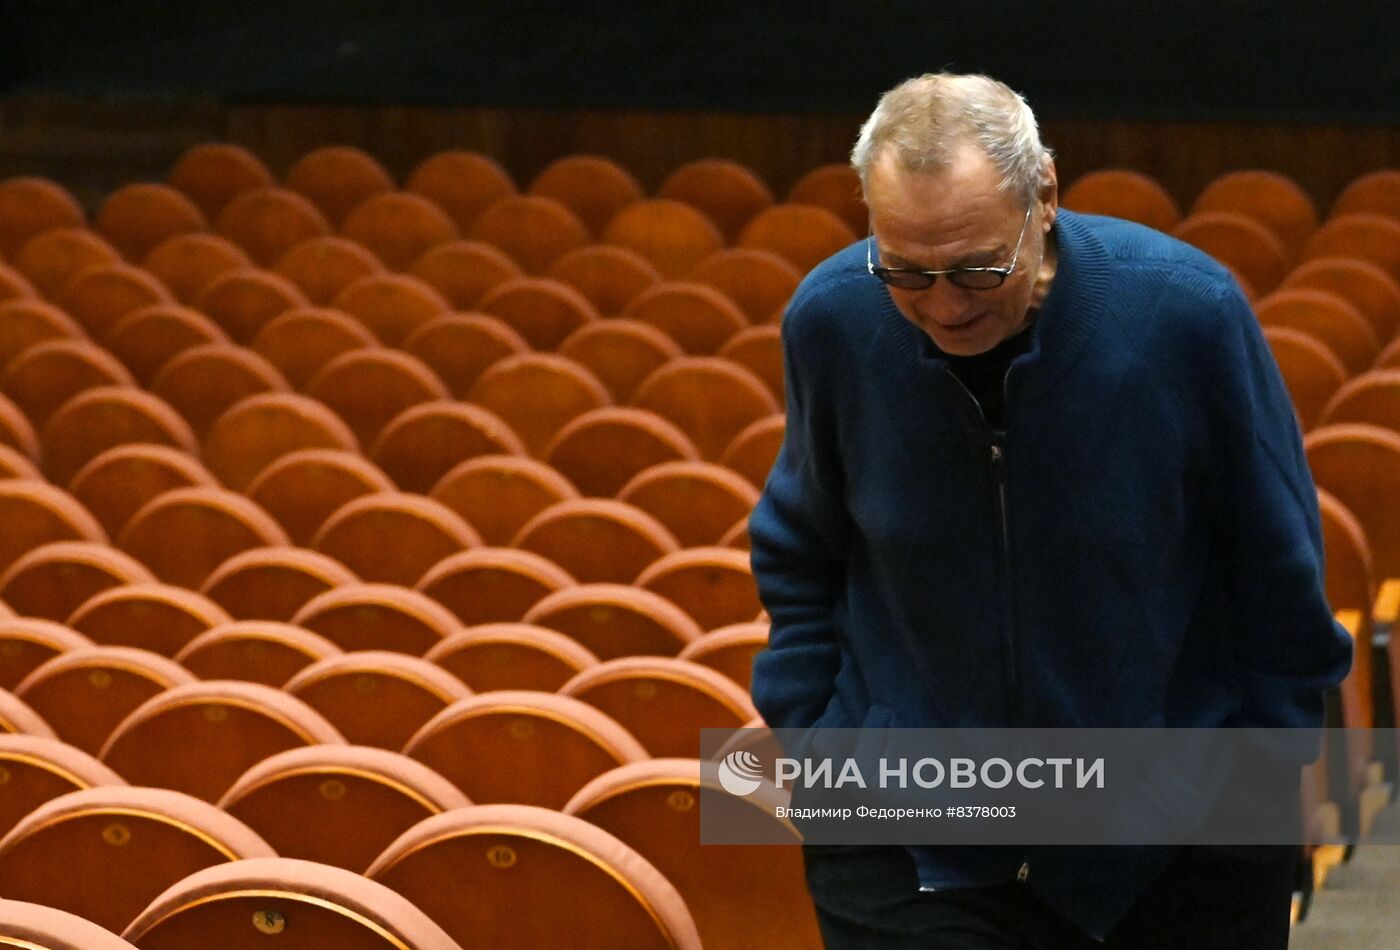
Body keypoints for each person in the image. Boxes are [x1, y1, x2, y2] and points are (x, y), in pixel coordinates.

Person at [747, 72, 1353, 948]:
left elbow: (1277, 572)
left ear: (1046, 198)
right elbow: (802, 549)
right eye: (906, 270)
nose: (945, 306)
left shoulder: (1187, 316)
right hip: (907, 838)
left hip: (1178, 847)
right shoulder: (833, 321)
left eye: (977, 267)